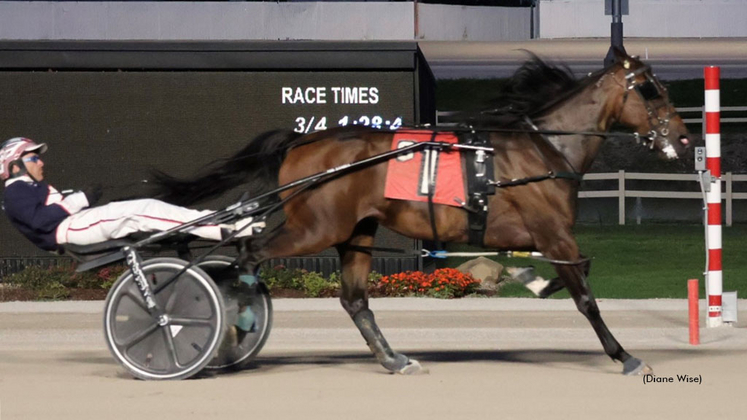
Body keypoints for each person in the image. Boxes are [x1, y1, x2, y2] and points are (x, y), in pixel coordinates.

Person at [1, 137, 259, 253]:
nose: (40, 163)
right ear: (15, 167)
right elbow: (39, 221)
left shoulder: (28, 188)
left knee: (146, 206)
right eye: (33, 157)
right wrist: (80, 198)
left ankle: (222, 220)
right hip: (70, 230)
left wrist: (81, 198)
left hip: (76, 224)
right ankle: (223, 229)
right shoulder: (15, 191)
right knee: (141, 212)